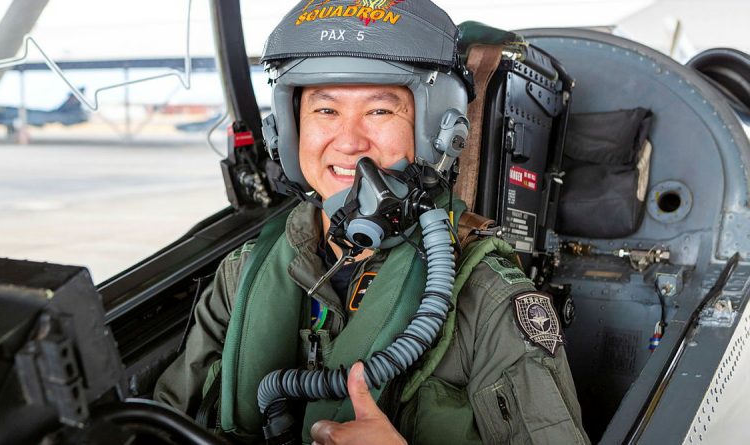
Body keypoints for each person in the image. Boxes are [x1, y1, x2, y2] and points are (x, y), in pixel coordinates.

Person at [155, 1, 589, 444]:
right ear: (288, 129)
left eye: (380, 111)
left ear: (440, 129)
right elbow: (166, 423)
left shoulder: (488, 297)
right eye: (326, 111)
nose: (349, 142)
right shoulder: (244, 271)